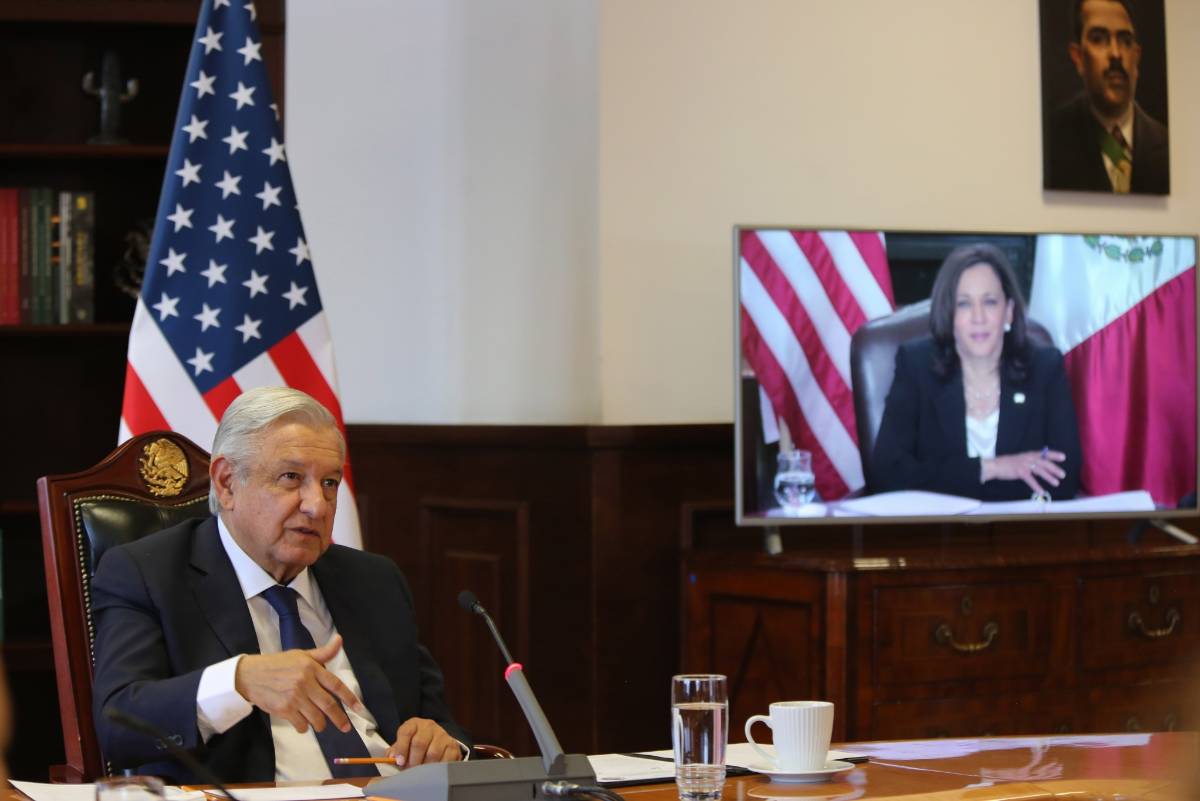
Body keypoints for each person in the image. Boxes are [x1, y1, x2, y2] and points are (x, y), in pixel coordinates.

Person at [91, 387, 468, 782]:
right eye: (291, 478)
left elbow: (442, 725)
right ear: (227, 483)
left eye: (329, 483)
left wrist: (442, 744)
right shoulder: (148, 574)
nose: (317, 506)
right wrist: (239, 681)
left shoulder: (374, 580)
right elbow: (119, 725)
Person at [870, 244, 1082, 501]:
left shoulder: (1045, 368)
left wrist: (945, 481)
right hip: (939, 526)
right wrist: (990, 468)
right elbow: (886, 475)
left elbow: (1063, 478)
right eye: (964, 304)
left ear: (1009, 312)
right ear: (948, 314)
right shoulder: (916, 366)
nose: (978, 317)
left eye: (989, 302)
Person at [1045, 0, 1168, 194]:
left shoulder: (1166, 145)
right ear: (1078, 57)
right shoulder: (1052, 140)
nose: (1116, 54)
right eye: (1099, 39)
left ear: (1136, 57)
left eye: (1125, 41)